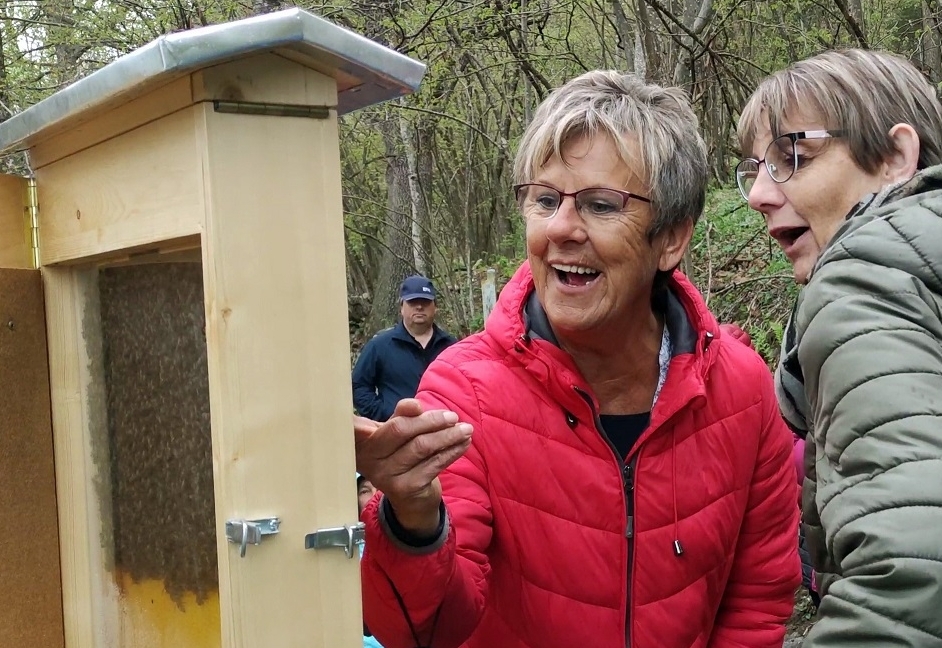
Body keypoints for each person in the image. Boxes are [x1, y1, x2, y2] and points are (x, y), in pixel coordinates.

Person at [355, 70, 800, 648]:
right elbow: (425, 630)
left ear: (671, 238)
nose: (561, 229)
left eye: (600, 204)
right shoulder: (464, 393)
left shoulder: (741, 392)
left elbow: (757, 602)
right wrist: (413, 520)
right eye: (544, 200)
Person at [736, 48, 942, 646]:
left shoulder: (865, 279)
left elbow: (912, 578)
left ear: (896, 157)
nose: (758, 194)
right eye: (756, 168)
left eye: (793, 156)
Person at [352, 275, 456, 421]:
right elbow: (358, 386)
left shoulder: (452, 347)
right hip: (396, 431)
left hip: (444, 429)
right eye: (413, 302)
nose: (419, 307)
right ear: (401, 307)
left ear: (435, 307)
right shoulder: (380, 345)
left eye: (425, 301)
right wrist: (384, 416)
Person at [356, 472, 385, 648]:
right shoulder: (347, 548)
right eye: (365, 491)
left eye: (381, 488)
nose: (375, 495)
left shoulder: (407, 541)